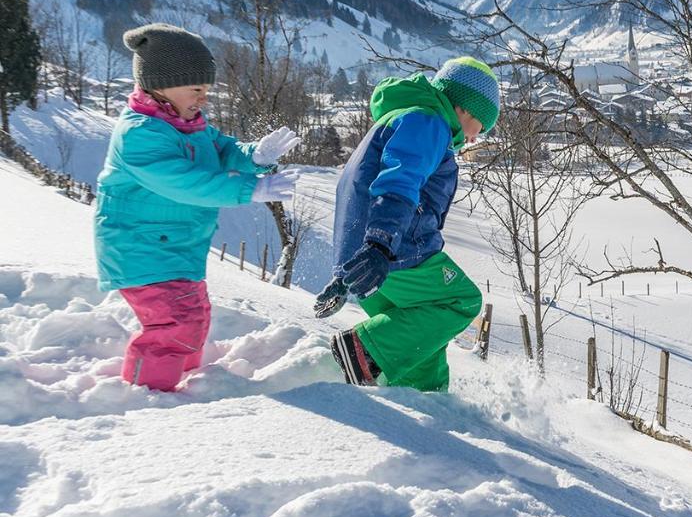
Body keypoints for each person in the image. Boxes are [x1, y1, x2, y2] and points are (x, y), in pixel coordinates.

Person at [95, 23, 301, 391]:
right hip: (139, 247)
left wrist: (255, 156)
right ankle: (150, 395)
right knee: (176, 324)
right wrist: (249, 189)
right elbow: (183, 182)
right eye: (197, 88)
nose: (204, 97)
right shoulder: (140, 134)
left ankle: (184, 379)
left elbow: (221, 150)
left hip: (173, 246)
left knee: (194, 317)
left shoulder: (186, 123)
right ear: (162, 82)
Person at [322, 57, 499, 391]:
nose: (476, 138)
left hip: (367, 259)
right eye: (482, 126)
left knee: (421, 348)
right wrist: (379, 244)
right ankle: (360, 351)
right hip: (393, 252)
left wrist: (346, 269)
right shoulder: (428, 123)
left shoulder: (403, 118)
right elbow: (397, 183)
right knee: (460, 301)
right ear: (466, 109)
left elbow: (355, 189)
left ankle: (429, 409)